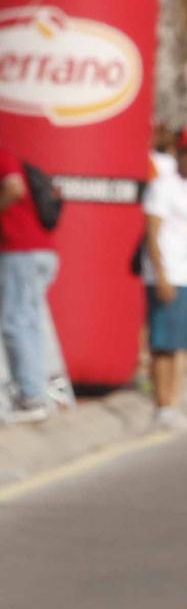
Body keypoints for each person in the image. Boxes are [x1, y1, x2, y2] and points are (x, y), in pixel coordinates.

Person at [142, 129, 187, 428]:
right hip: (167, 275)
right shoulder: (162, 187)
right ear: (179, 154)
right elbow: (153, 233)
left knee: (182, 344)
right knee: (164, 344)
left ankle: (175, 402)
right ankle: (162, 404)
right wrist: (161, 275)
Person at [0, 136, 61, 423]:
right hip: (41, 251)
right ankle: (36, 392)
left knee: (15, 321)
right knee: (30, 322)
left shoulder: (2, 152)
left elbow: (13, 187)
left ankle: (31, 397)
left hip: (20, 251)